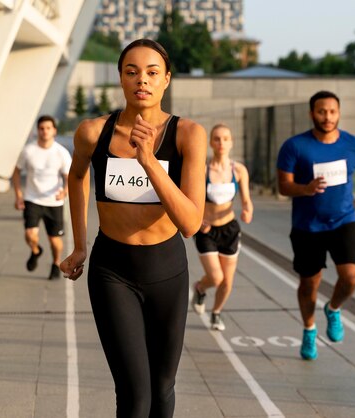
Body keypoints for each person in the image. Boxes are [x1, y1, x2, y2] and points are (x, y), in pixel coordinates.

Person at [60, 39, 206, 417]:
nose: (142, 80)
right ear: (121, 79)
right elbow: (76, 178)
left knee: (162, 389)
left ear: (166, 80)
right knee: (134, 394)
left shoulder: (188, 135)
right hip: (113, 270)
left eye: (152, 72)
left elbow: (190, 223)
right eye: (132, 71)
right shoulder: (94, 133)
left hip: (167, 270)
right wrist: (80, 244)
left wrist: (149, 160)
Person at [276, 90, 355, 361]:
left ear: (339, 113)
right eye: (322, 111)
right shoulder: (295, 146)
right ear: (312, 114)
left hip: (343, 221)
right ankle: (309, 329)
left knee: (350, 276)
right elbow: (283, 186)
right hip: (307, 226)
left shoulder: (354, 144)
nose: (328, 116)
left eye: (332, 111)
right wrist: (305, 188)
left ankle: (333, 309)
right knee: (310, 283)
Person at [191, 124, 253, 331]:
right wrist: (198, 221)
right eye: (217, 139)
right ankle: (200, 287)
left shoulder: (239, 170)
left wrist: (247, 210)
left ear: (231, 142)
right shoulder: (203, 169)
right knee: (216, 277)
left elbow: (246, 200)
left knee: (227, 281)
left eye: (226, 139)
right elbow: (193, 199)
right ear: (210, 143)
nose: (221, 143)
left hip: (230, 229)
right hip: (206, 230)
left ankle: (216, 313)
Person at [12, 115, 71, 280]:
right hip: (32, 199)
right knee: (30, 234)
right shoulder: (28, 151)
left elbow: (69, 177)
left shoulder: (61, 153)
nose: (45, 131)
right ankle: (36, 251)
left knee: (55, 241)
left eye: (48, 128)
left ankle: (55, 263)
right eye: (42, 128)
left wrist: (65, 191)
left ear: (54, 131)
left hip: (54, 201)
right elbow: (16, 172)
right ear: (37, 131)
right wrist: (18, 195)